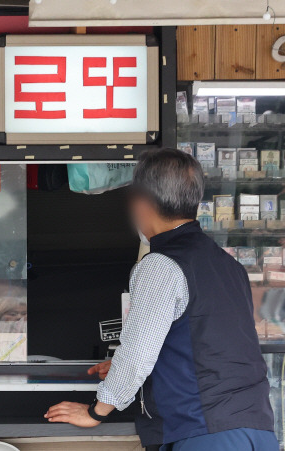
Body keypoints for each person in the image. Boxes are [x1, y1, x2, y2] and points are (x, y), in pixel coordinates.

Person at [44, 148, 278, 451]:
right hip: (256, 432)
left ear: (142, 202)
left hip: (205, 434)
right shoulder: (228, 265)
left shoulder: (161, 265)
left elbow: (138, 353)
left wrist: (95, 411)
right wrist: (148, 365)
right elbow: (208, 343)